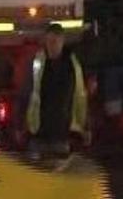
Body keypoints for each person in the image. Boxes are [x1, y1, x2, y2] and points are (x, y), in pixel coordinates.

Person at [23, 23, 88, 160]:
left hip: (61, 135)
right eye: (49, 41)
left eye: (55, 42)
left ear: (62, 41)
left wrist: (85, 127)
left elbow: (79, 98)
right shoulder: (38, 63)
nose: (51, 46)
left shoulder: (72, 67)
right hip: (39, 134)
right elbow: (27, 92)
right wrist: (20, 125)